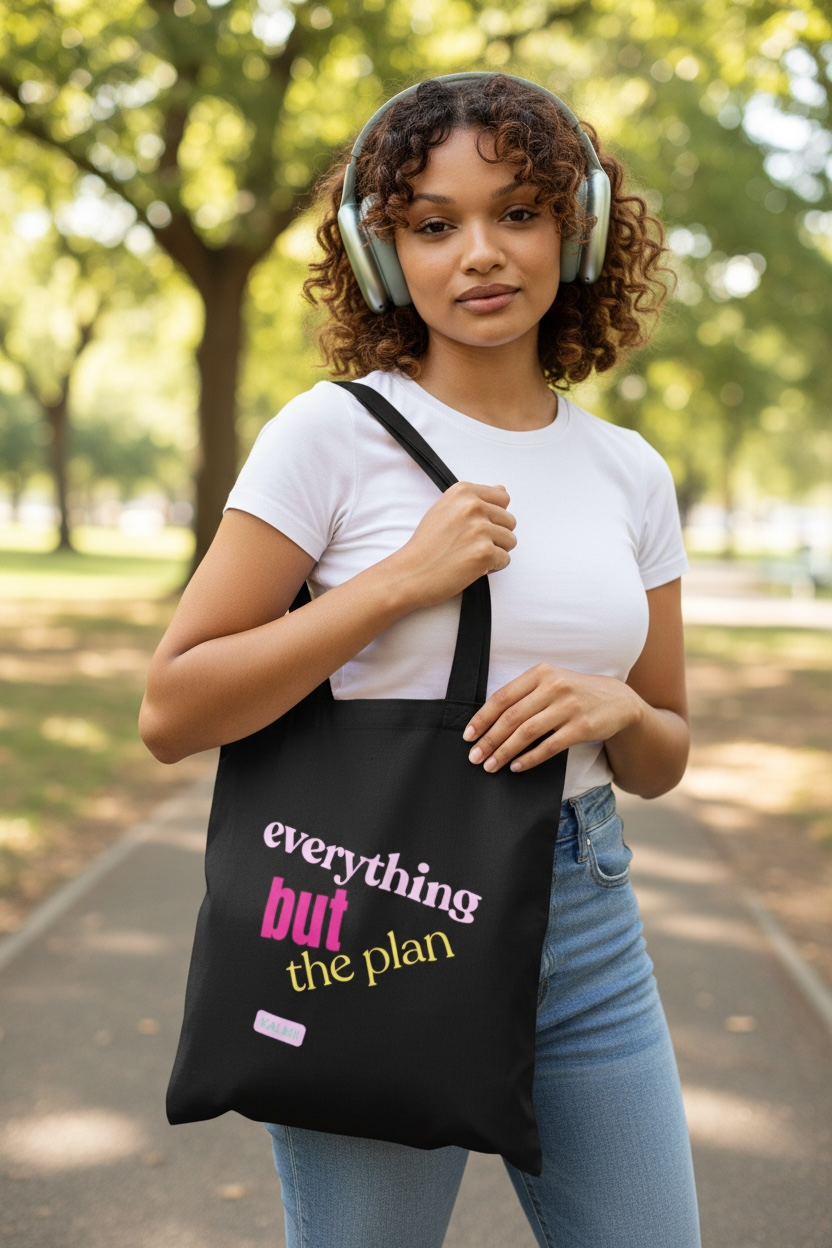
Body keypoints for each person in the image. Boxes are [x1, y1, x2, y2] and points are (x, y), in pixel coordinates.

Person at [140, 72, 701, 1248]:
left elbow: (661, 753)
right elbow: (172, 707)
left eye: (516, 212)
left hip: (587, 917)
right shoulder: (330, 436)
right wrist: (400, 579)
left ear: (580, 226)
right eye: (434, 225)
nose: (481, 255)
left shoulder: (629, 473)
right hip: (378, 911)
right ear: (383, 251)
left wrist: (617, 706)